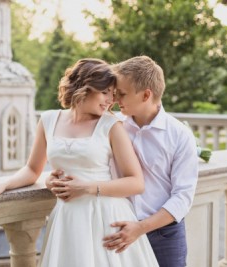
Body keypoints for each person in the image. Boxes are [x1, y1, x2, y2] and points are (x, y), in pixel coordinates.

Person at [0, 58, 159, 267]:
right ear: (84, 87)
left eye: (113, 93)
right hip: (67, 219)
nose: (110, 100)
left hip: (105, 217)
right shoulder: (48, 120)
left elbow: (136, 182)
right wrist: (4, 184)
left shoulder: (111, 125)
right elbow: (32, 169)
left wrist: (86, 187)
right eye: (105, 92)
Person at [48, 56, 198, 267]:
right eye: (114, 93)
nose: (115, 100)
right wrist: (52, 179)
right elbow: (87, 163)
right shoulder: (112, 125)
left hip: (164, 234)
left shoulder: (179, 136)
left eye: (122, 94)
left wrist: (140, 228)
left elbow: (182, 197)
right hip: (116, 229)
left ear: (146, 95)